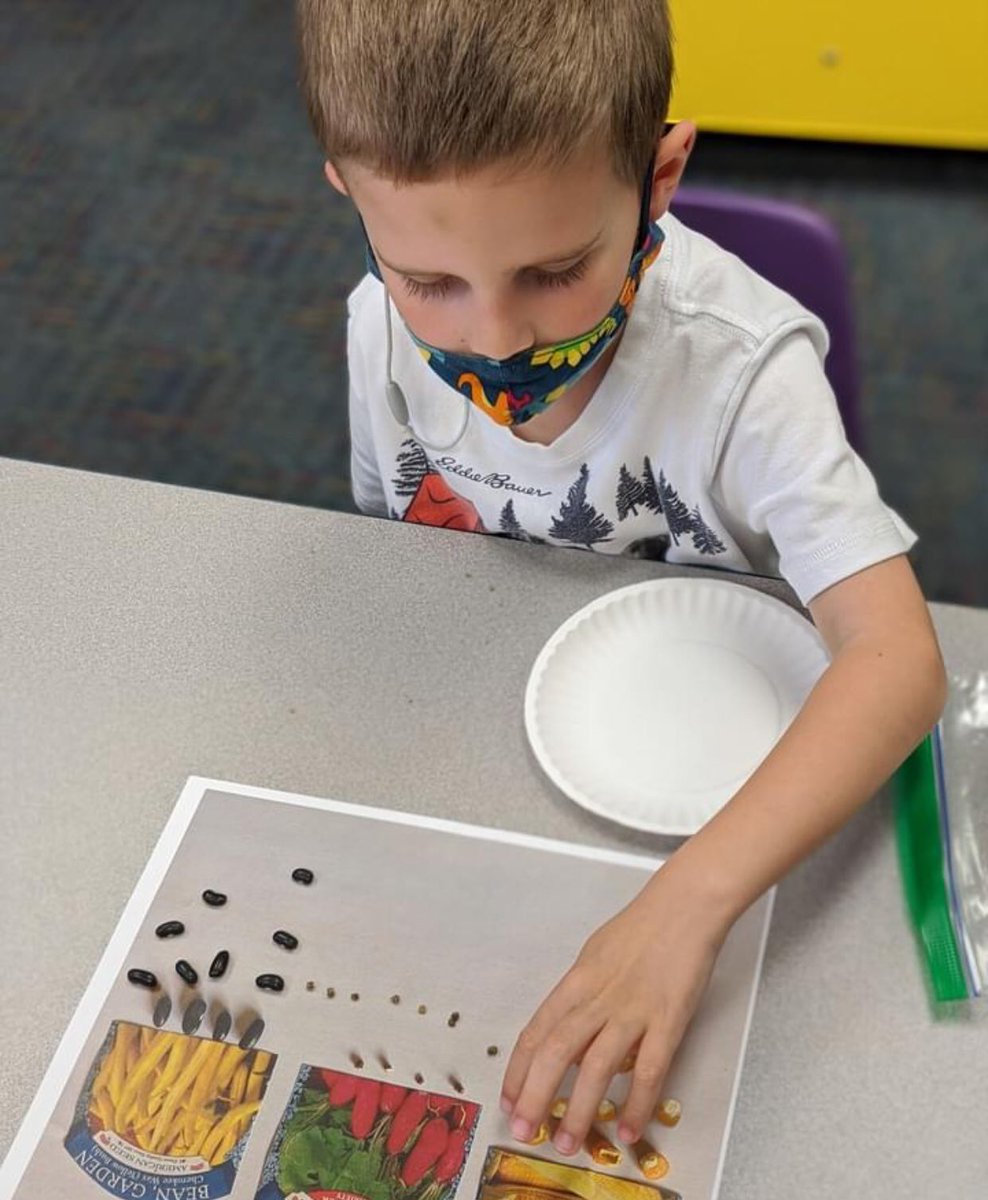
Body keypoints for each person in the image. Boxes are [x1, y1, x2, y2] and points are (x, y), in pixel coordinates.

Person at [295, 0, 946, 1157]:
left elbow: (899, 662)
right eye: (427, 278)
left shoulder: (744, 371)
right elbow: (393, 559)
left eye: (551, 270)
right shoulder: (374, 326)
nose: (492, 340)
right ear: (346, 190)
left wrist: (685, 913)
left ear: (659, 175)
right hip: (501, 764)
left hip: (716, 792)